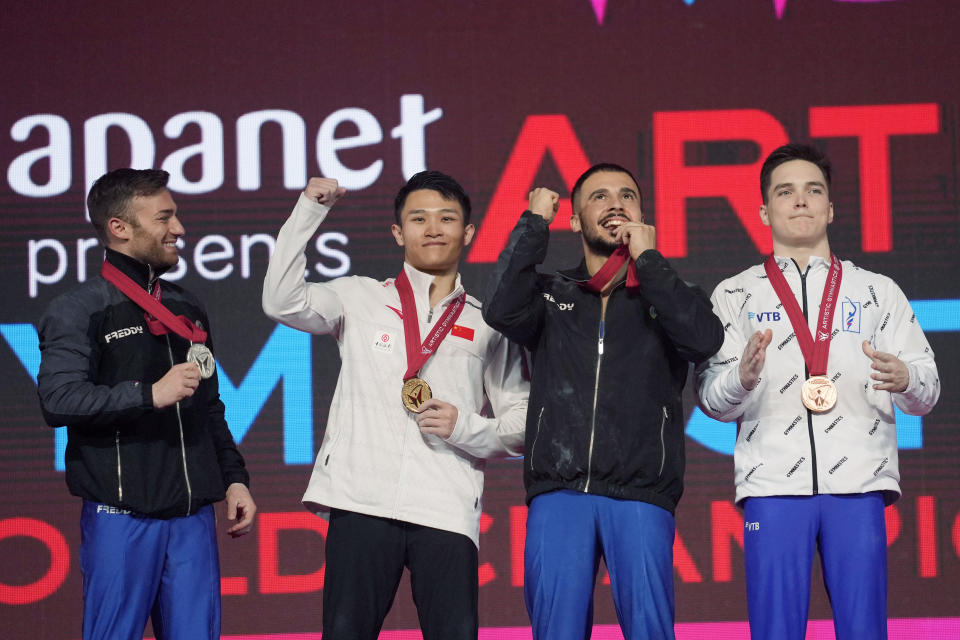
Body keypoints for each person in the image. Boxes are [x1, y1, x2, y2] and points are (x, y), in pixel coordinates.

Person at [261, 170, 528, 639]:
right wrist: (308, 212)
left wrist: (464, 426)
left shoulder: (489, 322)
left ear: (466, 233)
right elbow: (281, 301)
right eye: (418, 218)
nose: (432, 228)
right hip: (360, 502)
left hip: (445, 508)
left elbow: (522, 424)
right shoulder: (358, 296)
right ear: (397, 232)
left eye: (447, 219)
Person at [695, 143, 940, 640]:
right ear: (764, 210)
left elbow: (928, 390)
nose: (801, 201)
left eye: (814, 191)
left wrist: (906, 379)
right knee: (775, 631)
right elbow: (710, 402)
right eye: (785, 192)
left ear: (830, 208)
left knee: (864, 629)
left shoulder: (877, 290)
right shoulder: (735, 293)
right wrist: (741, 377)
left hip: (860, 482)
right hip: (771, 486)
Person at [482, 163, 724, 639]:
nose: (615, 203)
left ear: (643, 215)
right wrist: (533, 222)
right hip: (559, 492)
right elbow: (499, 307)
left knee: (651, 631)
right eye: (599, 197)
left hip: (640, 492)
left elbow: (703, 339)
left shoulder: (670, 295)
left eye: (627, 196)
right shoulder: (551, 294)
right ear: (573, 221)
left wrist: (649, 261)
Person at [37, 168, 256, 640]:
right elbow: (57, 399)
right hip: (121, 517)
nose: (179, 229)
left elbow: (210, 405)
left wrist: (234, 479)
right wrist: (148, 394)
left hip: (192, 516)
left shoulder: (187, 308)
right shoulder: (79, 309)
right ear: (119, 227)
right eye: (165, 217)